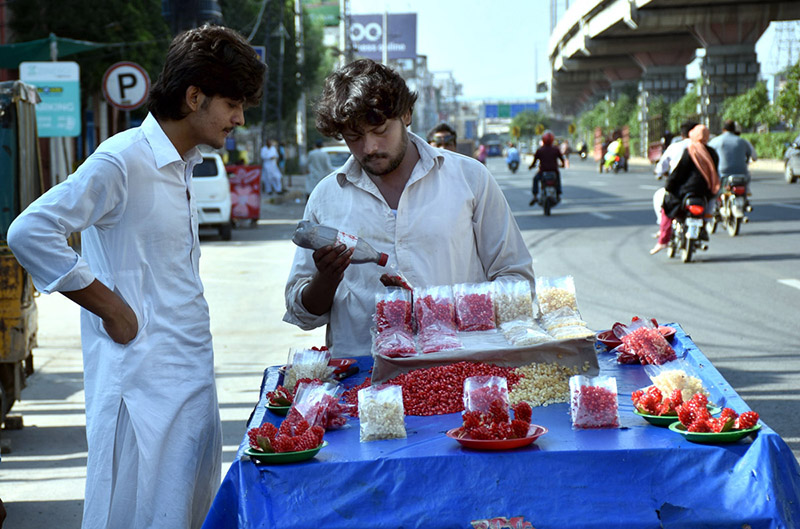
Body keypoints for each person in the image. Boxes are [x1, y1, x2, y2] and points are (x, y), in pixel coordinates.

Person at [6, 25, 265, 528]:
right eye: (232, 104)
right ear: (195, 97)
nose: (237, 118)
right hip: (139, 390)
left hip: (189, 378)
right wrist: (113, 309)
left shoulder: (185, 165)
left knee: (188, 513)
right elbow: (31, 230)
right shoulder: (122, 160)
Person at [283, 59, 534, 357]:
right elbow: (302, 312)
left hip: (456, 365)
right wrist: (326, 278)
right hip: (364, 378)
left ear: (406, 114)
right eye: (354, 137)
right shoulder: (327, 196)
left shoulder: (470, 178)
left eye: (379, 130)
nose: (369, 147)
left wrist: (445, 311)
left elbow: (517, 281)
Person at [651, 124, 720, 255]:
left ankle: (663, 240)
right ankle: (704, 228)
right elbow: (715, 172)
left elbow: (679, 172)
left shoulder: (690, 150)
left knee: (667, 206)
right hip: (705, 190)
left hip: (686, 190)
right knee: (711, 204)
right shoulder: (712, 152)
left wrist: (669, 186)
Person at [708, 119, 756, 192]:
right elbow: (750, 155)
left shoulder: (716, 141)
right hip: (742, 172)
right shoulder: (742, 141)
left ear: (723, 129)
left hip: (722, 173)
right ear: (734, 129)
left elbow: (708, 154)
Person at [528, 130, 565, 205]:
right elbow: (562, 160)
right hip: (554, 171)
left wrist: (531, 167)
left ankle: (535, 196)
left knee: (535, 179)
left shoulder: (540, 150)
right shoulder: (555, 149)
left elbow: (534, 162)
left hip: (542, 172)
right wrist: (563, 165)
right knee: (557, 179)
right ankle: (558, 193)